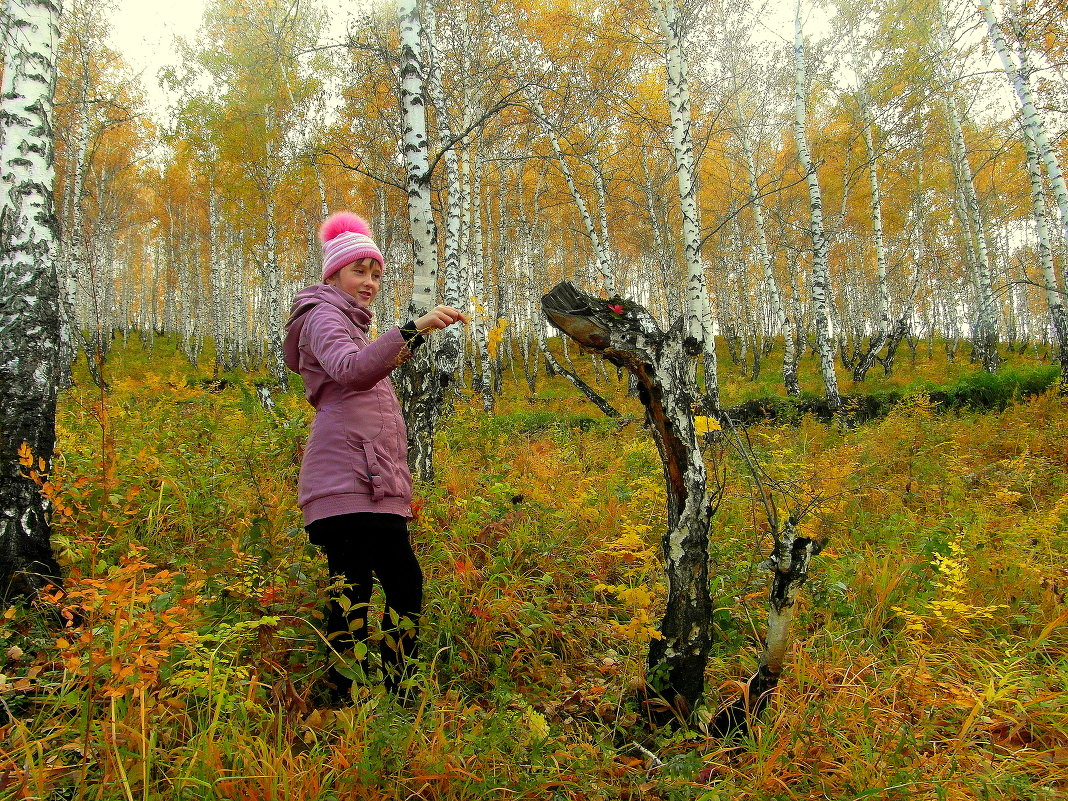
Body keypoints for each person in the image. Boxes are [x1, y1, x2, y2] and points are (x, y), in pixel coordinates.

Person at [283, 211, 465, 705]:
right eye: (359, 271)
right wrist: (413, 329)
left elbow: (370, 403)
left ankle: (396, 696)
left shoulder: (353, 327)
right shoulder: (322, 316)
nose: (369, 283)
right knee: (353, 596)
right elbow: (350, 371)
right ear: (334, 273)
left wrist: (398, 491)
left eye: (376, 274)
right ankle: (339, 701)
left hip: (372, 487)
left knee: (404, 587)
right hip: (343, 487)